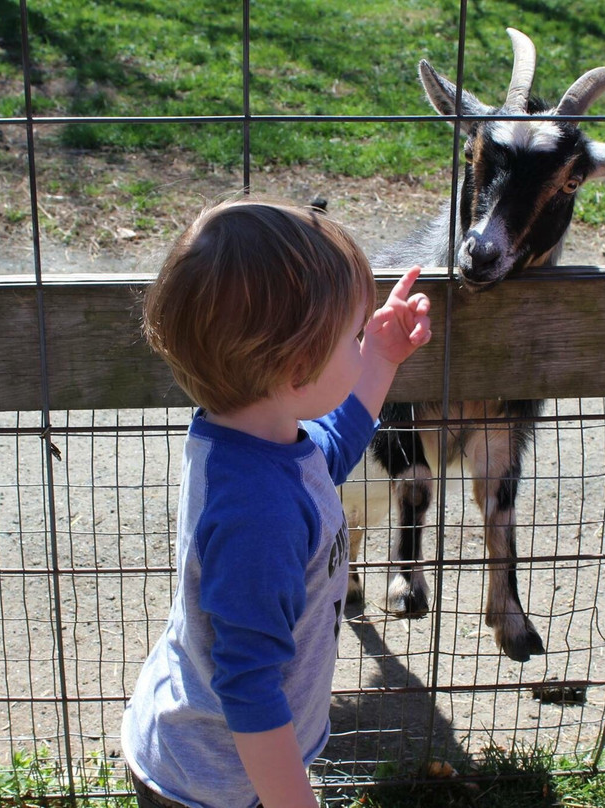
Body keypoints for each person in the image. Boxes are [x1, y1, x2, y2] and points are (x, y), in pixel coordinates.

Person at [122, 199, 432, 808]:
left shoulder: (252, 437)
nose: (362, 342)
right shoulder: (258, 514)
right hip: (211, 784)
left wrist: (381, 356)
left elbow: (332, 447)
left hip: (228, 763)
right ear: (296, 370)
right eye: (355, 335)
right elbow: (250, 688)